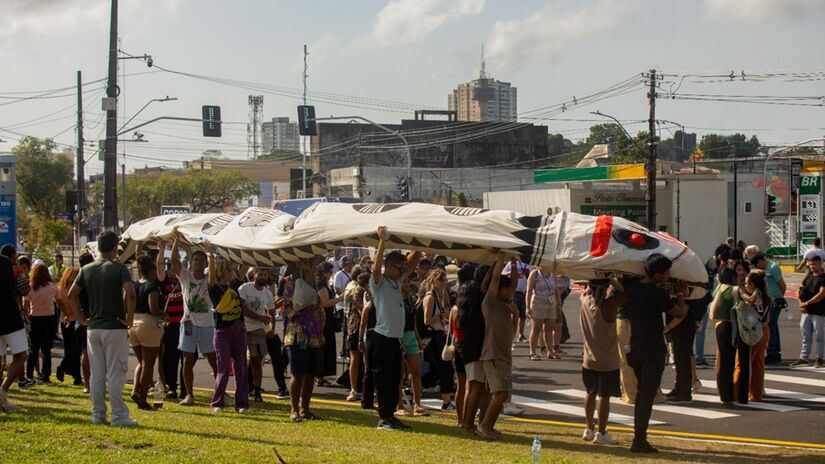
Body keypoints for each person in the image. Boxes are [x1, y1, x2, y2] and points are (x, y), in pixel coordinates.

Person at [610, 254, 688, 453]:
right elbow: (679, 313)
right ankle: (639, 439)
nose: (668, 275)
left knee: (641, 393)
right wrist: (679, 294)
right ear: (658, 274)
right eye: (666, 272)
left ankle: (639, 436)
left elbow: (618, 286)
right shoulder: (657, 294)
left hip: (635, 347)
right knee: (646, 394)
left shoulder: (632, 288)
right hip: (653, 348)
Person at [67, 231, 137, 427]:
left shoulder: (86, 269)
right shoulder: (119, 268)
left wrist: (82, 318)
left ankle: (97, 414)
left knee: (97, 373)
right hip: (114, 327)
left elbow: (71, 295)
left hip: (93, 328)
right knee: (116, 373)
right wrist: (129, 319)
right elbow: (130, 294)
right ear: (115, 248)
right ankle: (119, 416)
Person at [367, 226, 420, 431]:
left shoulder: (396, 282)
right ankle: (384, 417)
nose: (402, 271)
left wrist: (419, 246)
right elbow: (376, 266)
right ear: (389, 266)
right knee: (384, 378)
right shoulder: (378, 282)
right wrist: (382, 242)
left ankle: (390, 415)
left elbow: (412, 265)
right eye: (399, 267)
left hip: (395, 339)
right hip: (382, 337)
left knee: (395, 377)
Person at [170, 233, 218, 406]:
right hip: (188, 323)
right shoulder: (185, 277)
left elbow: (213, 277)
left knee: (213, 359)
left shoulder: (208, 278)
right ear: (191, 262)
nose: (198, 262)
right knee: (187, 359)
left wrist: (210, 254)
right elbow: (174, 262)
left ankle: (219, 393)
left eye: (201, 260)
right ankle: (189, 394)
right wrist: (176, 241)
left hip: (207, 324)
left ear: (205, 263)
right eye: (195, 259)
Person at [475, 254, 518, 440]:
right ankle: (484, 426)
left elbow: (514, 284)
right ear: (499, 289)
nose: (511, 293)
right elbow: (494, 279)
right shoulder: (490, 302)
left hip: (503, 354)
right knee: (499, 393)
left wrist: (515, 262)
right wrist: (500, 259)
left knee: (503, 393)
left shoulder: (504, 303)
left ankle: (489, 426)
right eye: (507, 290)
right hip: (493, 354)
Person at [579, 279, 622, 445]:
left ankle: (589, 428)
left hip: (588, 359)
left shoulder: (584, 301)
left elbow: (587, 291)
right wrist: (614, 281)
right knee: (604, 397)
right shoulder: (609, 306)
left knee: (590, 393)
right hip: (607, 360)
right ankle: (602, 432)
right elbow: (626, 295)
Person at [284, 259, 325, 422]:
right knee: (298, 373)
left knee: (310, 374)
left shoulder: (316, 286)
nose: (314, 268)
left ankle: (305, 409)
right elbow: (290, 310)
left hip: (315, 334)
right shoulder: (291, 285)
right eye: (310, 265)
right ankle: (294, 409)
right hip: (298, 333)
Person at [208, 255, 249, 414]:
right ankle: (217, 402)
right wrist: (211, 256)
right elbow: (211, 276)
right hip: (223, 332)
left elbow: (245, 265)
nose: (233, 271)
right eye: (230, 269)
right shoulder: (215, 288)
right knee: (223, 369)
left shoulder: (234, 285)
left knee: (241, 368)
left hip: (239, 331)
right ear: (222, 271)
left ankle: (242, 404)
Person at [129, 255, 169, 410]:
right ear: (152, 270)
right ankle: (143, 398)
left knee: (142, 362)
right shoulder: (151, 286)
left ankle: (135, 390)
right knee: (149, 364)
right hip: (148, 323)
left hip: (133, 324)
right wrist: (164, 314)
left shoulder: (134, 284)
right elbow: (153, 308)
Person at [460, 264, 492, 435]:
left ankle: (472, 423)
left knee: (478, 387)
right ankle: (467, 424)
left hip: (472, 346)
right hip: (476, 346)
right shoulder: (478, 295)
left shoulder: (466, 299)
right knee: (476, 387)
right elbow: (483, 286)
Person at [710, 267, 749, 405]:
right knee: (739, 361)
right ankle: (741, 395)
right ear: (732, 278)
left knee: (724, 362)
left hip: (720, 326)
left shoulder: (719, 288)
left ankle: (725, 395)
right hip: (733, 326)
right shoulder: (734, 289)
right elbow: (748, 299)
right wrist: (755, 294)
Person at [22, 263, 66, 385]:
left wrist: (27, 316)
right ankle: (46, 376)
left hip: (34, 319)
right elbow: (60, 302)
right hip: (49, 319)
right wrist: (67, 313)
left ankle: (29, 375)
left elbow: (25, 307)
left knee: (33, 349)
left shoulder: (30, 287)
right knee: (46, 350)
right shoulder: (52, 287)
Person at [0, 244, 30, 412]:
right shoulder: (11, 265)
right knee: (21, 356)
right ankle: (3, 391)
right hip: (10, 316)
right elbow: (24, 290)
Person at [153, 240, 185, 399]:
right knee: (169, 358)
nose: (173, 271)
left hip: (185, 325)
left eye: (175, 268)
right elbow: (159, 265)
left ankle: (186, 388)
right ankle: (172, 387)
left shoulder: (184, 280)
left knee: (187, 358)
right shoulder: (164, 282)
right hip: (170, 326)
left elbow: (177, 260)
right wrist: (161, 248)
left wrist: (180, 244)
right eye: (170, 269)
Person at [420, 267, 455, 410]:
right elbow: (426, 320)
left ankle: (415, 387)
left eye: (445, 280)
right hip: (433, 337)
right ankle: (446, 402)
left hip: (440, 334)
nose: (443, 283)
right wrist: (441, 316)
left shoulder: (440, 295)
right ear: (432, 281)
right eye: (440, 280)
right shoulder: (430, 297)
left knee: (437, 370)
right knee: (446, 369)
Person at [734, 270, 771, 401]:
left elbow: (750, 307)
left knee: (742, 363)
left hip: (753, 332)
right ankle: (756, 394)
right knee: (758, 364)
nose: (745, 285)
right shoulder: (765, 295)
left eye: (747, 283)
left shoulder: (756, 296)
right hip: (764, 330)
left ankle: (736, 391)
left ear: (753, 284)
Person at [239, 268, 274, 402]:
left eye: (265, 274)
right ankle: (243, 389)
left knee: (257, 362)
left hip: (258, 330)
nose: (263, 277)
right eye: (260, 274)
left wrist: (271, 329)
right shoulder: (244, 288)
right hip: (242, 328)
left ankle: (257, 391)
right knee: (241, 361)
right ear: (253, 275)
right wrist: (260, 317)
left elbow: (271, 311)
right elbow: (243, 309)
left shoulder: (267, 293)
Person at [396, 274, 428, 417]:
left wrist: (418, 338)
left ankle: (417, 404)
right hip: (399, 335)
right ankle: (400, 404)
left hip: (411, 335)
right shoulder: (396, 298)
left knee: (416, 371)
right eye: (405, 281)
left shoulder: (409, 297)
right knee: (400, 373)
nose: (408, 283)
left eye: (409, 281)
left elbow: (413, 320)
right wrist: (400, 339)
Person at [751, 254, 786, 365]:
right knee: (773, 326)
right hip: (770, 300)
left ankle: (773, 353)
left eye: (758, 264)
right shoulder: (766, 269)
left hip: (775, 300)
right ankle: (775, 352)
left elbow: (782, 284)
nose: (758, 267)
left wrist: (779, 296)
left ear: (761, 260)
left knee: (770, 326)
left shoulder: (773, 268)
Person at [793, 255, 825, 368]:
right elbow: (800, 289)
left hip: (818, 311)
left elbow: (821, 295)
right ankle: (804, 358)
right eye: (810, 264)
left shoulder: (823, 278)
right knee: (806, 336)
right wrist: (800, 302)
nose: (811, 266)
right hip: (806, 311)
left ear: (820, 263)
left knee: (819, 336)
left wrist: (806, 303)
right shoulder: (809, 275)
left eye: (814, 264)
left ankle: (820, 358)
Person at [525, 266, 562, 360]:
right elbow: (529, 291)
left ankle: (550, 351)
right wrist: (528, 307)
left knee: (549, 329)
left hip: (551, 301)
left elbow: (556, 289)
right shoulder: (535, 273)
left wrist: (559, 304)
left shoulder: (552, 273)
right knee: (536, 328)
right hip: (538, 301)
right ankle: (532, 352)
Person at [315, 261, 342, 386]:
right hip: (324, 319)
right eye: (330, 272)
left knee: (328, 346)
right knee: (325, 346)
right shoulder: (321, 285)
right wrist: (340, 298)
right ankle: (319, 376)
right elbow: (325, 303)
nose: (331, 274)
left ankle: (321, 375)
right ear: (325, 272)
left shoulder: (325, 284)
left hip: (327, 318)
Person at [56, 267, 82, 385]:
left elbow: (59, 304)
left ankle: (71, 372)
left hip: (64, 320)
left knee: (69, 348)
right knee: (75, 350)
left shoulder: (61, 288)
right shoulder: (75, 289)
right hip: (74, 320)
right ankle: (70, 372)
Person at [345, 270, 369, 402]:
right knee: (359, 359)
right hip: (357, 328)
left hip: (356, 328)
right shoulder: (361, 292)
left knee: (358, 359)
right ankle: (356, 388)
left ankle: (357, 388)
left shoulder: (355, 291)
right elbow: (363, 310)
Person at [74, 253, 95, 393]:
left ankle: (87, 385)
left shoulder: (77, 278)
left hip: (80, 320)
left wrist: (79, 316)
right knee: (95, 355)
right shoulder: (93, 278)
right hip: (93, 319)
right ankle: (93, 384)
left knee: (84, 353)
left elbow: (70, 296)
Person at [502, 260, 531, 343]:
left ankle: (521, 334)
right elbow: (502, 274)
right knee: (512, 313)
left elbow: (534, 275)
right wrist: (510, 273)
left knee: (523, 315)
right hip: (513, 291)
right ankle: (510, 333)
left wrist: (528, 274)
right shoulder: (511, 263)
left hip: (524, 291)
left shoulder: (528, 264)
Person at [334, 256, 355, 360]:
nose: (351, 265)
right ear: (345, 264)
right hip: (342, 305)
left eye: (352, 263)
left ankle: (348, 350)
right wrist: (345, 298)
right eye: (349, 263)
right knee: (346, 328)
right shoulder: (339, 274)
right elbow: (337, 289)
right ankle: (344, 351)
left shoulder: (353, 273)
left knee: (349, 328)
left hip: (351, 304)